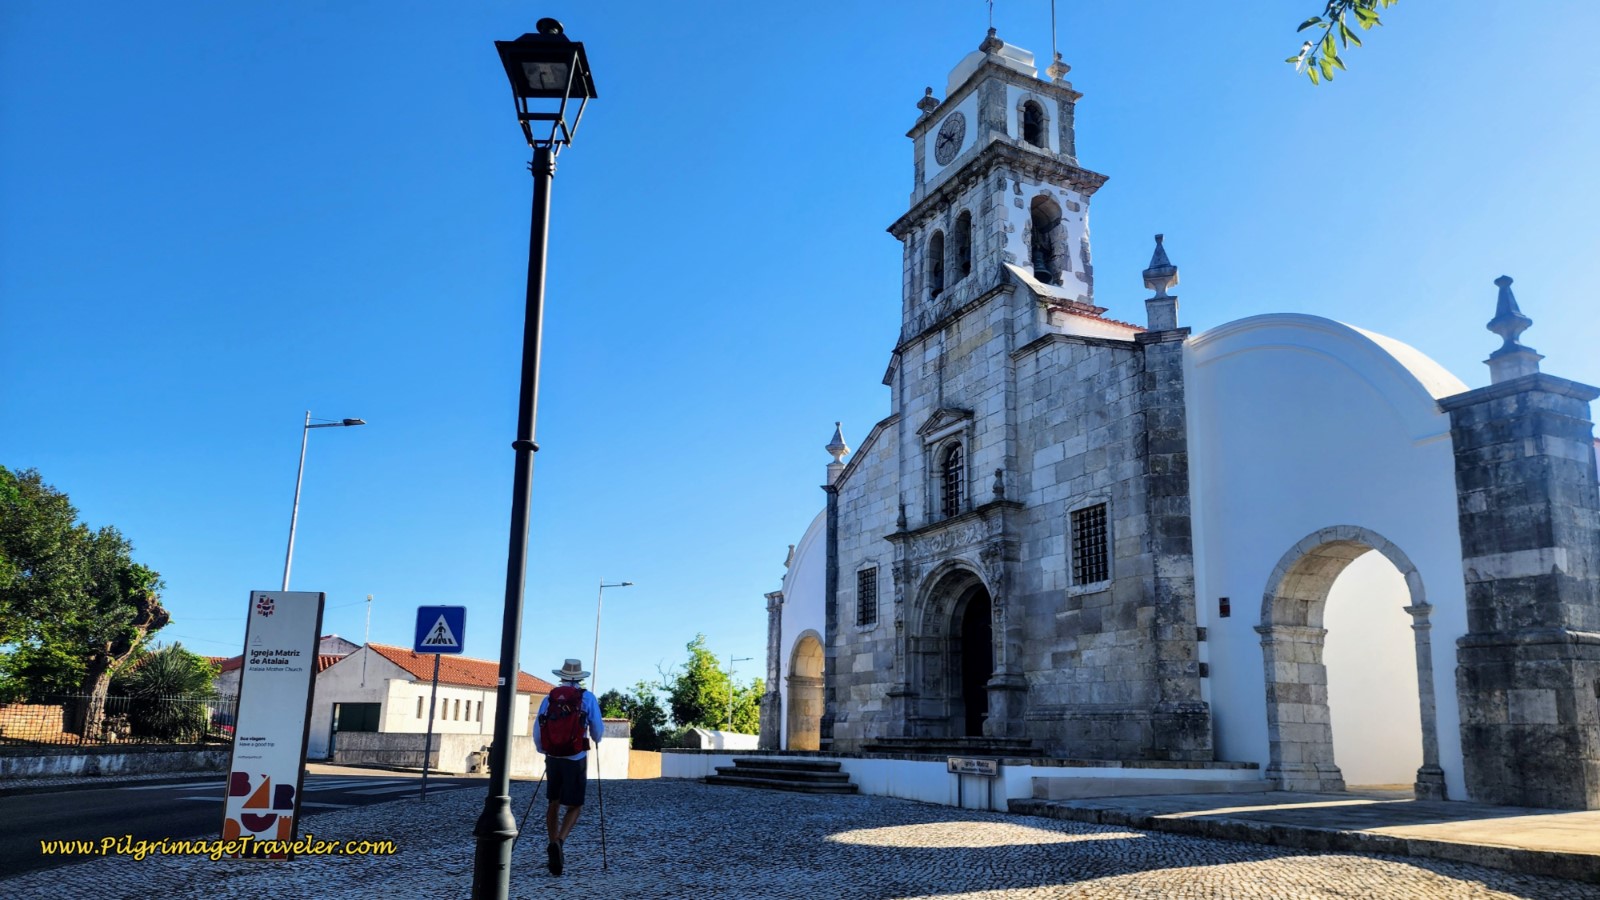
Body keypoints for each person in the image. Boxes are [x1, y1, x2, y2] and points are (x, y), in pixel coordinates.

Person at [533, 658, 604, 876]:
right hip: (576, 757)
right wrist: (595, 740)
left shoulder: (549, 698)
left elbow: (538, 727)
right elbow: (598, 729)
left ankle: (551, 840)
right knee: (575, 805)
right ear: (580, 677)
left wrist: (543, 749)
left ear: (562, 676)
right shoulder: (587, 698)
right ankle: (560, 842)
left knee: (553, 802)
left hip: (553, 756)